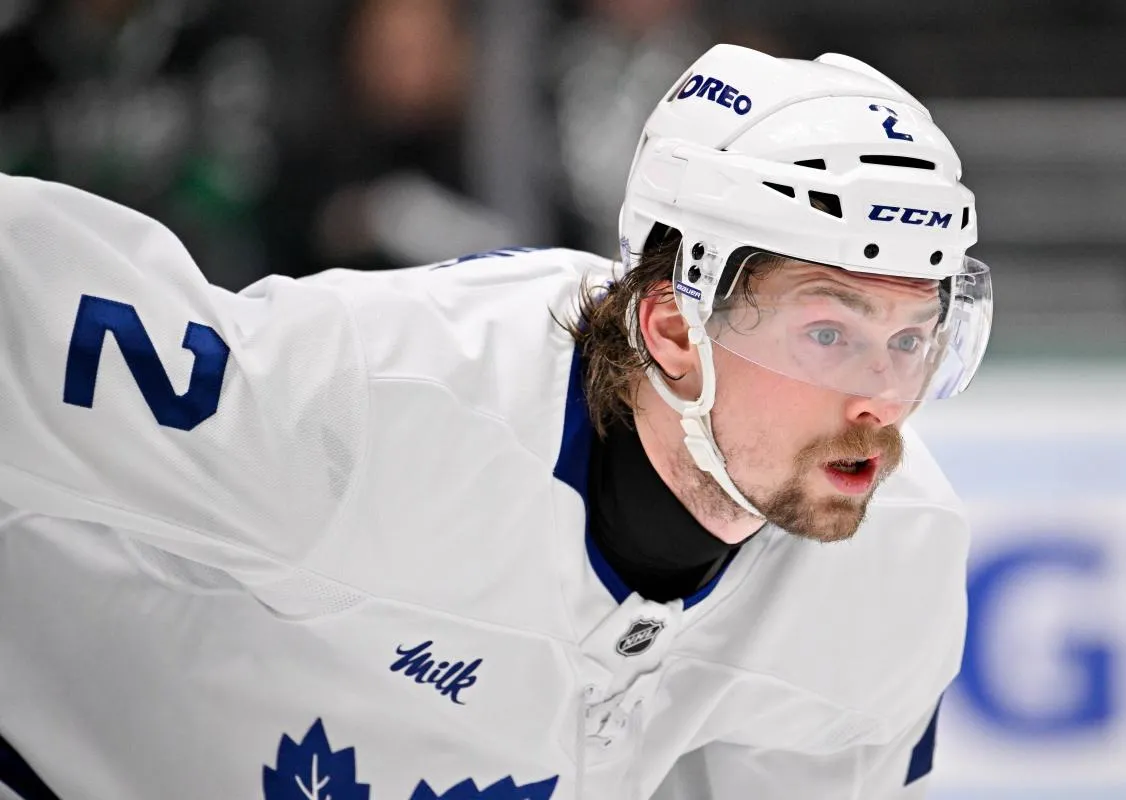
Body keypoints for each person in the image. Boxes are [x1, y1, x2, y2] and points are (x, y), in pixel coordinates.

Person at [0, 44, 992, 800]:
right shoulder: (381, 403)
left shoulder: (895, 564)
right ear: (675, 331)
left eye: (914, 338)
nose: (882, 401)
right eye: (829, 331)